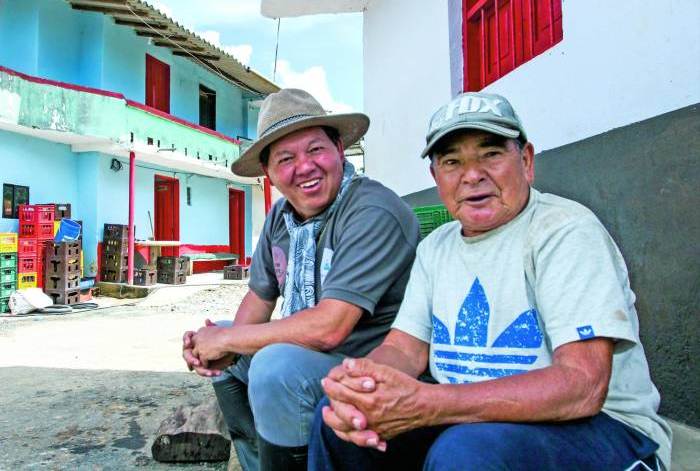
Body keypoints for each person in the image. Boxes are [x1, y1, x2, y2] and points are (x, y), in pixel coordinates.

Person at [311, 92, 672, 470]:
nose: (472, 174)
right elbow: (404, 350)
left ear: (527, 161)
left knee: (467, 451)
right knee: (339, 419)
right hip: (472, 421)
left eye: (491, 154)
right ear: (436, 177)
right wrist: (362, 385)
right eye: (452, 161)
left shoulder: (563, 230)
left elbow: (581, 387)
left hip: (604, 430)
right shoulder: (436, 246)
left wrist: (429, 404)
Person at [182, 88, 419, 471]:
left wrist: (229, 340)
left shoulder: (372, 211)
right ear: (269, 173)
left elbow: (330, 328)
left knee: (275, 367)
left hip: (369, 362)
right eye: (286, 159)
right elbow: (258, 300)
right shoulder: (281, 217)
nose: (304, 167)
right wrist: (216, 347)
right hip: (312, 354)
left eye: (315, 150)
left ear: (339, 149)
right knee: (227, 341)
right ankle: (257, 461)